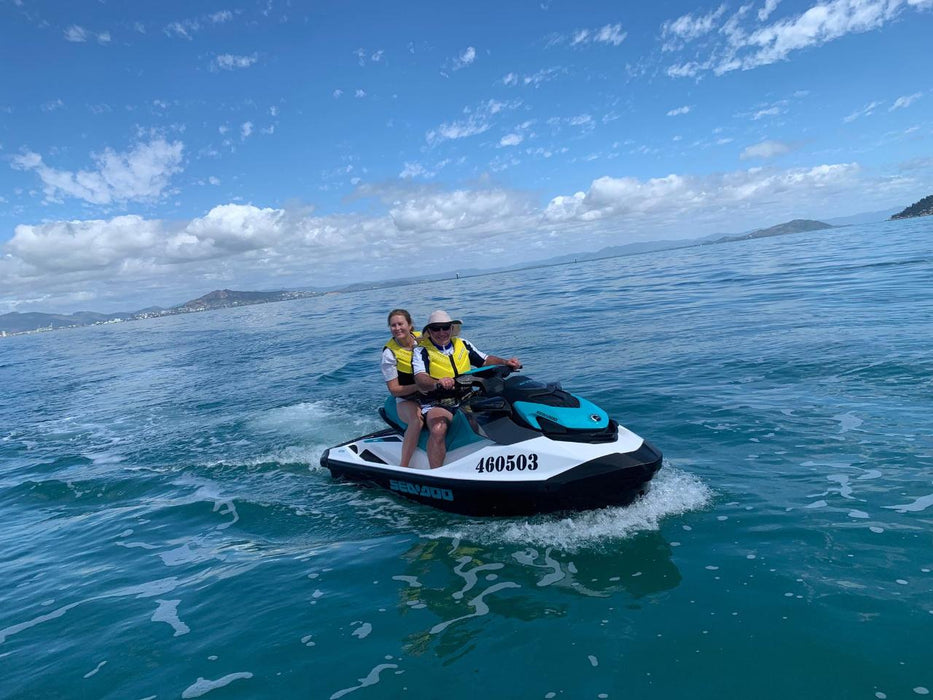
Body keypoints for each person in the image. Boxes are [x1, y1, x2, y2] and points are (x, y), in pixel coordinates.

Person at [412, 310, 521, 469]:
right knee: (438, 428)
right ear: (429, 331)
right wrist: (437, 382)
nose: (441, 332)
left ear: (451, 328)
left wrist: (506, 362)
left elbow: (484, 360)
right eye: (436, 328)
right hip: (438, 402)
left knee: (503, 410)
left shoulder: (462, 344)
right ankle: (438, 473)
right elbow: (421, 378)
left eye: (445, 327)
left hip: (467, 396)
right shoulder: (421, 351)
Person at [381, 309, 424, 468]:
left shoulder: (423, 338)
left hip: (432, 392)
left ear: (410, 325)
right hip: (406, 398)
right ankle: (404, 466)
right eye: (393, 325)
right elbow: (394, 390)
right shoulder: (389, 354)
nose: (397, 328)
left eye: (401, 324)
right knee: (417, 420)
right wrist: (419, 386)